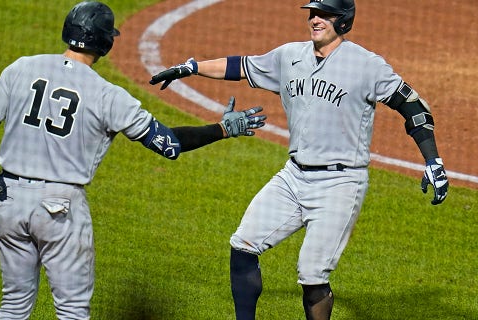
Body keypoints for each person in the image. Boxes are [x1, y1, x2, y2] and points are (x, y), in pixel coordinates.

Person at [0, 1, 266, 319]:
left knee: (14, 305)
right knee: (72, 310)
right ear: (105, 42)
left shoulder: (20, 68)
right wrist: (222, 128)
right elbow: (169, 144)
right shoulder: (107, 95)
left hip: (8, 201)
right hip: (58, 209)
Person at [149, 0, 449, 319]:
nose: (315, 19)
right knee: (242, 246)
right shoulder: (290, 56)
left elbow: (414, 109)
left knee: (312, 276)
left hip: (340, 184)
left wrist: (433, 161)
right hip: (293, 177)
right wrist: (191, 68)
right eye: (312, 13)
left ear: (344, 20)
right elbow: (241, 66)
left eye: (324, 14)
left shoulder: (366, 65)